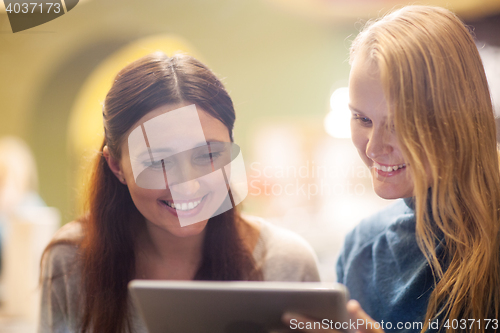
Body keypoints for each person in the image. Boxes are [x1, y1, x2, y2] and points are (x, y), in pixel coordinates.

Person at [39, 52, 320, 333]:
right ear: (116, 166)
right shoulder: (72, 261)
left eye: (208, 154)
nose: (188, 185)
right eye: (159, 161)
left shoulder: (286, 264)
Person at [283, 5, 500, 333]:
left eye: (399, 125)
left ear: (457, 120)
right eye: (362, 119)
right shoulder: (362, 249)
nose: (373, 148)